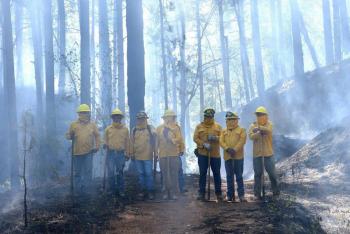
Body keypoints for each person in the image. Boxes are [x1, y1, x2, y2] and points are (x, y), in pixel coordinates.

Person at [66, 104, 100, 194]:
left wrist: (97, 146)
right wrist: (70, 135)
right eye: (82, 113)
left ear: (89, 113)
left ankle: (87, 189)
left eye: (86, 112)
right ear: (79, 114)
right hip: (77, 153)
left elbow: (97, 136)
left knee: (88, 171)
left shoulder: (92, 125)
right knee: (77, 172)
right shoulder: (73, 125)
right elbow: (68, 135)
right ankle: (78, 190)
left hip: (89, 152)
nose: (84, 114)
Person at [248, 106, 280, 200]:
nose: (259, 116)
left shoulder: (269, 124)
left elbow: (269, 131)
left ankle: (276, 191)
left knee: (272, 174)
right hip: (257, 154)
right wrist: (258, 133)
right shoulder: (252, 125)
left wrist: (259, 128)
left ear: (265, 115)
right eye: (257, 114)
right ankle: (257, 193)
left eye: (261, 114)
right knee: (258, 174)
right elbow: (250, 136)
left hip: (268, 153)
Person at [193, 108, 223, 201]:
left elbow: (223, 138)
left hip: (215, 154)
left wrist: (215, 138)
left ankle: (219, 194)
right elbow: (195, 138)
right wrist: (203, 144)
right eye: (206, 116)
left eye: (209, 117)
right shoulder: (199, 127)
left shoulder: (218, 126)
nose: (207, 118)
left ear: (212, 117)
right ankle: (201, 193)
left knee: (217, 174)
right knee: (202, 173)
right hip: (202, 154)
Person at [156, 110, 185, 200]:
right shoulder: (159, 128)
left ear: (173, 118)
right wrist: (156, 153)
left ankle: (174, 193)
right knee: (165, 175)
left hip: (173, 154)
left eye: (171, 117)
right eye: (167, 117)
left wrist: (173, 141)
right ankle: (166, 192)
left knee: (174, 175)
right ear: (164, 118)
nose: (169, 119)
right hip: (163, 155)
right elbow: (156, 142)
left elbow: (180, 139)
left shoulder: (176, 127)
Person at [219, 112, 247, 202]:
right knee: (229, 176)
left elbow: (242, 141)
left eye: (232, 119)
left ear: (236, 120)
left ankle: (241, 195)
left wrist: (235, 149)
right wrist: (227, 149)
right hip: (228, 157)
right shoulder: (223, 131)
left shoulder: (241, 129)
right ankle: (230, 195)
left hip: (238, 157)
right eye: (228, 119)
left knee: (239, 176)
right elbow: (221, 141)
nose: (230, 121)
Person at [130, 111, 157, 200]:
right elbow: (131, 143)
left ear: (145, 119)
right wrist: (132, 154)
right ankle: (142, 191)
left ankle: (150, 191)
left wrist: (156, 153)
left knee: (148, 174)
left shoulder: (150, 128)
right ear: (137, 120)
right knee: (141, 174)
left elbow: (155, 139)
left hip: (148, 156)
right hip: (138, 156)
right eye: (139, 119)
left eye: (143, 119)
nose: (141, 120)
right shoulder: (134, 130)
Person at [103, 108, 130, 197]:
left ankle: (121, 190)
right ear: (113, 118)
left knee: (120, 172)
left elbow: (127, 143)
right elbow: (105, 140)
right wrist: (105, 144)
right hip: (110, 153)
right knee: (110, 172)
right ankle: (111, 190)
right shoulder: (108, 129)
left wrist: (127, 153)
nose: (116, 118)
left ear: (121, 118)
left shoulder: (125, 129)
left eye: (118, 117)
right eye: (115, 116)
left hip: (121, 154)